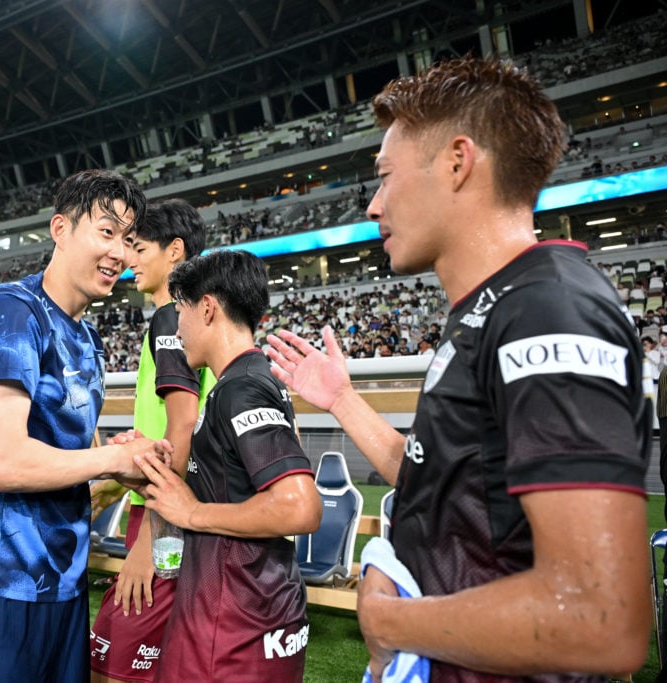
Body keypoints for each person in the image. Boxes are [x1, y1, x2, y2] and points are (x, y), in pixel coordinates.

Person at [266, 57, 651, 681]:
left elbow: (601, 618)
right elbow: (448, 482)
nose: (372, 205)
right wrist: (341, 399)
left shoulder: (547, 308)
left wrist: (389, 622)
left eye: (385, 177)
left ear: (457, 161)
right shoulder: (490, 308)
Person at [0, 169, 170, 683]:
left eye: (129, 240)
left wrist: (127, 465)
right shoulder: (13, 312)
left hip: (61, 581)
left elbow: (67, 461)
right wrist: (112, 459)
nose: (120, 254)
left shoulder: (88, 340)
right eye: (106, 232)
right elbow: (1, 464)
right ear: (60, 229)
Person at [132, 249, 322, 682]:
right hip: (244, 612)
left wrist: (191, 513)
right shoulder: (243, 383)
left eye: (180, 311)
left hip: (234, 626)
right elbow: (231, 482)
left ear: (207, 307)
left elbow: (299, 506)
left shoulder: (243, 389)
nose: (176, 327)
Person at [90, 198, 214, 683]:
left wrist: (146, 541)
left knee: (113, 665)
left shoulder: (172, 319)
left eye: (137, 247)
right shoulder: (184, 319)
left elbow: (182, 429)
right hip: (169, 510)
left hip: (165, 520)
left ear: (175, 251)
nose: (126, 259)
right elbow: (171, 430)